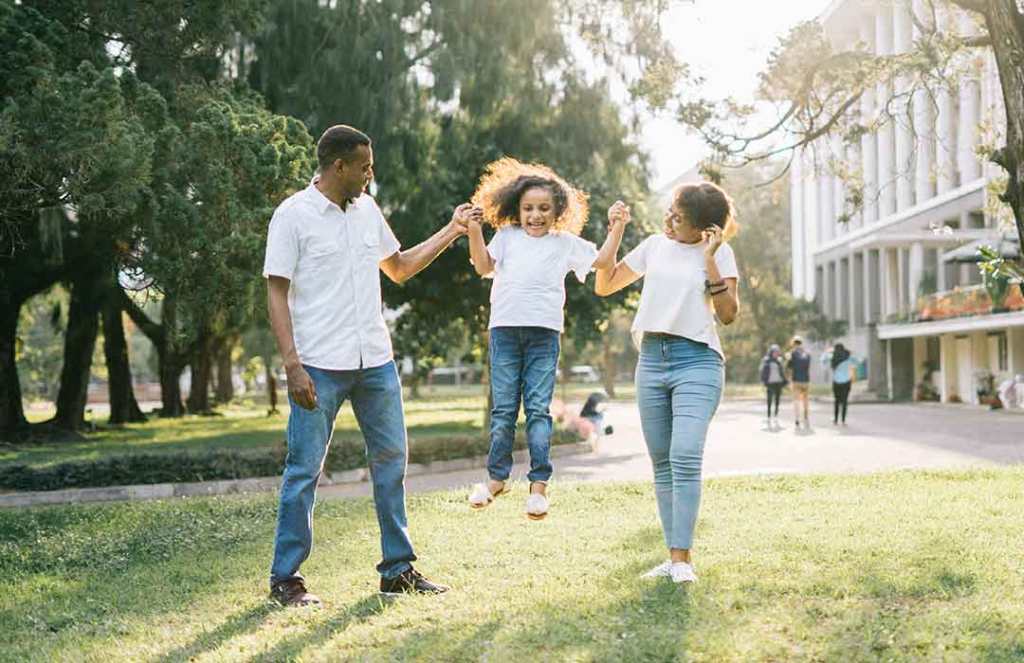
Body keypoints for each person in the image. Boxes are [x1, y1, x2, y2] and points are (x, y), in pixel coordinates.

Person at [263, 124, 469, 606]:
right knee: (304, 470)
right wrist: (292, 365)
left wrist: (453, 230)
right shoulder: (293, 215)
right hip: (318, 365)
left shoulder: (367, 210)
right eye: (365, 167)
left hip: (375, 361)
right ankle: (286, 578)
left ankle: (397, 570)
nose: (370, 175)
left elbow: (398, 267)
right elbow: (275, 291)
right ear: (340, 166)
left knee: (392, 462)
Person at [594, 181, 740, 584]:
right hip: (652, 361)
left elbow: (728, 314)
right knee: (662, 464)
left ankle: (682, 561)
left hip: (698, 360)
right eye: (671, 211)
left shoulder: (720, 252)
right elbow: (604, 285)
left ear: (706, 228)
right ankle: (673, 558)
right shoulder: (655, 246)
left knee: (685, 455)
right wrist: (617, 230)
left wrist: (709, 259)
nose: (670, 220)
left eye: (681, 217)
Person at [464, 158, 620, 519]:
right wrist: (473, 230)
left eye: (544, 209)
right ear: (516, 209)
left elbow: (601, 261)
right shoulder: (506, 237)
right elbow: (483, 266)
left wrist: (617, 226)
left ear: (557, 211)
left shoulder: (564, 243)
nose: (536, 215)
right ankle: (495, 480)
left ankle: (538, 488)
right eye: (529, 208)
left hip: (543, 336)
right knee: (503, 410)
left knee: (537, 410)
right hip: (504, 332)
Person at [786, 335, 812, 429]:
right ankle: (806, 417)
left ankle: (797, 419)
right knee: (805, 400)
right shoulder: (807, 353)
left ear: (793, 344)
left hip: (796, 380)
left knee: (796, 400)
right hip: (806, 380)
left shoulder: (792, 353)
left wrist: (789, 379)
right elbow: (808, 367)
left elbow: (789, 367)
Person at [759, 344, 786, 429]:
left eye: (777, 352)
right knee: (769, 400)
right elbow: (762, 371)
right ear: (771, 352)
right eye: (775, 352)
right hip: (770, 383)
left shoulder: (779, 360)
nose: (776, 354)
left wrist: (784, 381)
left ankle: (776, 415)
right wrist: (763, 381)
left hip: (778, 383)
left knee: (777, 400)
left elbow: (782, 372)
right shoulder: (766, 360)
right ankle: (768, 416)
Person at [830, 343, 855, 425]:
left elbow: (832, 368)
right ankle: (843, 420)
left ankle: (835, 420)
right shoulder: (848, 356)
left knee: (837, 401)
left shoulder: (834, 357)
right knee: (844, 401)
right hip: (846, 382)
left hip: (836, 382)